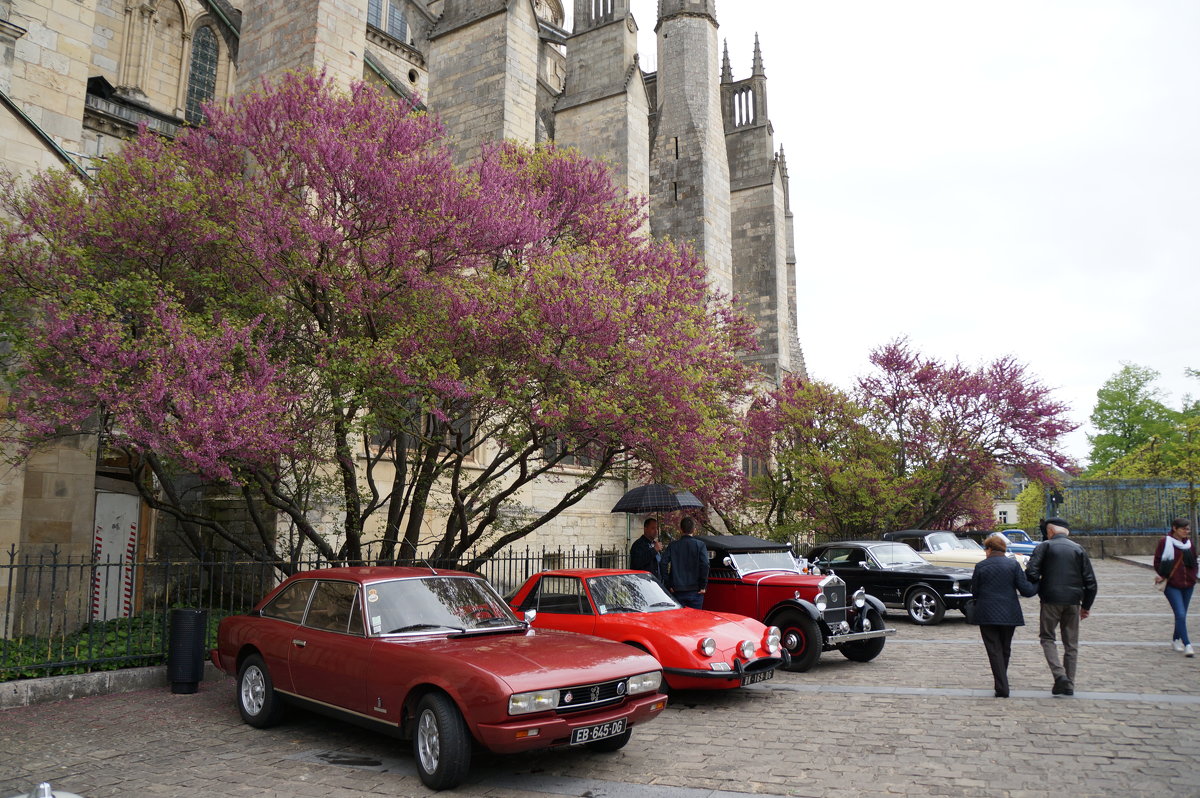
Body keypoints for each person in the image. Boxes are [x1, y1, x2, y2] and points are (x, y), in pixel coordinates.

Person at [1025, 517, 1098, 696]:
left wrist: (1042, 582)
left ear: (1050, 531)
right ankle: (1069, 684)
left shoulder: (1045, 547)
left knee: (1047, 637)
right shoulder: (1078, 549)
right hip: (1073, 601)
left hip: (1050, 599)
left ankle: (1059, 675)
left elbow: (1031, 572)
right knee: (1071, 644)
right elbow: (1091, 582)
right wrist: (1086, 606)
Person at [968, 533, 1038, 697]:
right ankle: (1002, 681)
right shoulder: (1013, 565)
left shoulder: (981, 566)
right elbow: (1026, 590)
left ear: (990, 549)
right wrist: (1038, 583)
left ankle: (1002, 686)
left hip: (986, 613)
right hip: (1009, 612)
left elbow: (975, 592)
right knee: (1005, 648)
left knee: (994, 650)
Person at [1153, 518, 1197, 657]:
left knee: (1181, 614)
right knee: (1180, 613)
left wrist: (1193, 576)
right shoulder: (1165, 542)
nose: (1186, 531)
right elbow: (1157, 561)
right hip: (1172, 584)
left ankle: (1175, 639)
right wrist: (1163, 574)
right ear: (1174, 528)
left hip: (1188, 584)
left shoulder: (1189, 544)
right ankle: (1187, 644)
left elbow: (1194, 561)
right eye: (1183, 528)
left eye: (1187, 529)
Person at [662, 517, 709, 609]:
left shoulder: (673, 545)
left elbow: (663, 563)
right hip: (695, 589)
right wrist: (703, 585)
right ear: (694, 530)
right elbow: (705, 565)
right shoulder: (700, 545)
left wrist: (668, 584)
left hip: (677, 589)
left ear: (681, 529)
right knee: (695, 620)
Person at [629, 517, 664, 583]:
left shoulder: (654, 544)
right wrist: (654, 550)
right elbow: (638, 562)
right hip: (644, 583)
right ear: (645, 529)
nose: (656, 531)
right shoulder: (638, 544)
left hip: (657, 583)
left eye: (656, 528)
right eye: (653, 528)